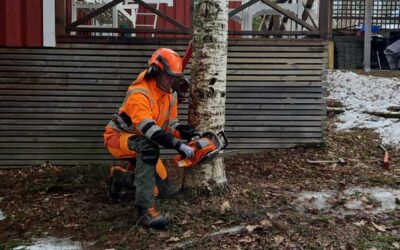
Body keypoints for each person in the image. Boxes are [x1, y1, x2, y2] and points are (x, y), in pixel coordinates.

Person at [103, 48, 198, 229]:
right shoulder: (139, 93)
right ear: (156, 71)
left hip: (142, 140)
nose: (173, 81)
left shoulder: (170, 94)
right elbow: (150, 130)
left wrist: (184, 132)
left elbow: (170, 125)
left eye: (175, 77)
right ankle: (144, 212)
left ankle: (119, 177)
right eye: (169, 76)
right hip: (117, 138)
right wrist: (178, 145)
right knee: (149, 148)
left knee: (162, 188)